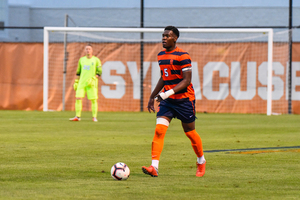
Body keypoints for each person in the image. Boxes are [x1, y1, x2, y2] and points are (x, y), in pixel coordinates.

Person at [142, 26, 206, 177]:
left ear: (175, 38)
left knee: (190, 133)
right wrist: (153, 96)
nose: (164, 38)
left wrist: (166, 93)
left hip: (185, 100)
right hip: (168, 101)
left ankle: (201, 160)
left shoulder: (183, 56)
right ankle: (154, 167)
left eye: (167, 36)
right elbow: (164, 78)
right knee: (159, 131)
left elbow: (187, 80)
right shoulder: (160, 55)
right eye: (163, 35)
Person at [69, 44, 102, 122]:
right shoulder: (81, 60)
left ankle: (94, 117)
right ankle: (77, 116)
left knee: (93, 100)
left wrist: (94, 78)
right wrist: (77, 81)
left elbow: (99, 71)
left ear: (92, 50)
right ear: (85, 50)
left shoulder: (96, 60)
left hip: (91, 83)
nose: (88, 50)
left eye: (89, 49)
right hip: (82, 82)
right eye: (86, 49)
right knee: (78, 98)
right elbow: (78, 71)